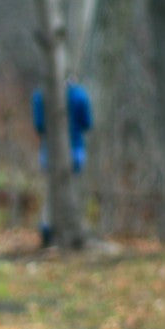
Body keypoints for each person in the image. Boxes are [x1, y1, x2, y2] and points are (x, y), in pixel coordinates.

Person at [31, 80, 92, 246]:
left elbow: (39, 125)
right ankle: (73, 226)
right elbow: (87, 123)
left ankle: (48, 227)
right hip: (75, 149)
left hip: (48, 151)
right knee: (73, 189)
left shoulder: (40, 95)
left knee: (50, 192)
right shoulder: (79, 94)